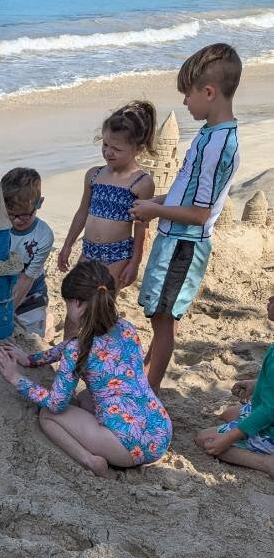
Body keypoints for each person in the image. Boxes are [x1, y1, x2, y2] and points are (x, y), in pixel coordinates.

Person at [0, 259, 172, 478]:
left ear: (77, 303)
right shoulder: (126, 328)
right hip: (160, 431)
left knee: (48, 416)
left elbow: (56, 402)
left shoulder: (77, 349)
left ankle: (92, 461)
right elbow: (72, 346)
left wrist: (15, 378)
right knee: (87, 396)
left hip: (126, 447)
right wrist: (31, 360)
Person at [131, 43, 242, 394]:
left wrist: (155, 210)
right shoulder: (209, 135)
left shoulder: (218, 144)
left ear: (208, 92)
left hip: (185, 245)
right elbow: (186, 194)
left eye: (187, 95)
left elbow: (201, 212)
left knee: (165, 322)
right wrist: (155, 202)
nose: (184, 103)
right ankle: (148, 374)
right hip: (173, 239)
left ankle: (149, 389)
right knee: (158, 315)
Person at [58, 100, 156, 320]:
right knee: (75, 303)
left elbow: (141, 228)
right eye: (105, 145)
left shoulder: (141, 183)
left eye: (117, 149)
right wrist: (67, 245)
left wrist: (134, 262)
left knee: (101, 309)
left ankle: (97, 352)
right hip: (89, 251)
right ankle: (69, 349)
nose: (108, 152)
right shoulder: (94, 175)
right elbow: (82, 212)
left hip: (117, 254)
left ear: (138, 148)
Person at [195, 293, 274, 479]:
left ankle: (266, 463)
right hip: (265, 411)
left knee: (206, 439)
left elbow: (269, 411)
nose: (269, 298)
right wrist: (256, 384)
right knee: (228, 414)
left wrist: (229, 438)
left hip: (269, 424)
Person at [0, 167, 54, 339]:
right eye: (10, 214)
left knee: (31, 334)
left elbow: (27, 278)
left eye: (23, 215)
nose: (16, 220)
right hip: (3, 287)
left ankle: (47, 324)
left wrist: (9, 312)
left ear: (39, 203)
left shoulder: (44, 236)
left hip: (31, 293)